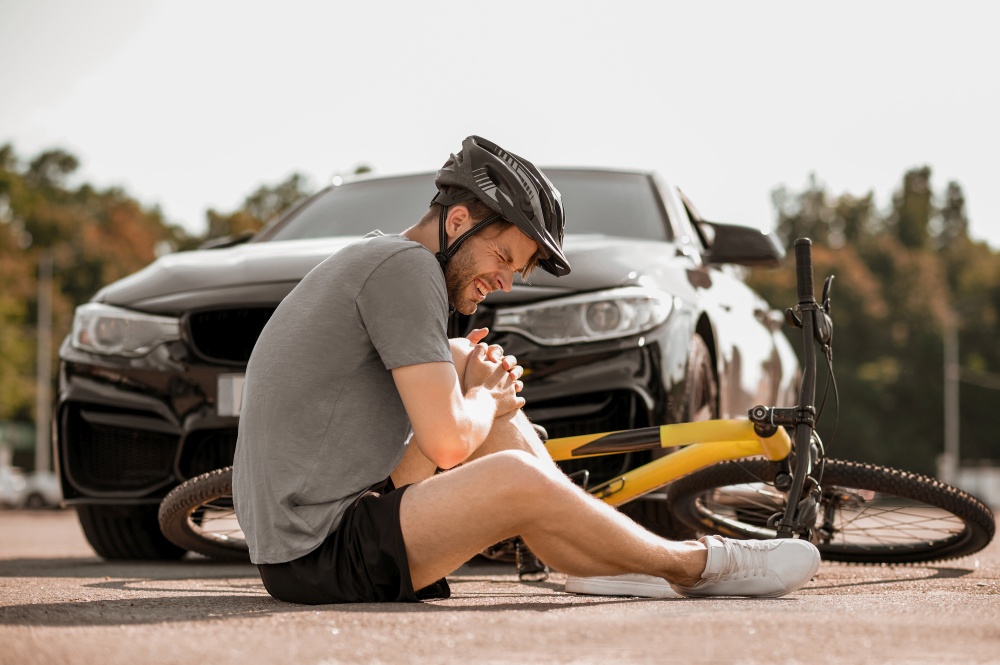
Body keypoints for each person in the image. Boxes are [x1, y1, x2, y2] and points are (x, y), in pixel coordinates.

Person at [232, 135, 821, 604]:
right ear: (458, 222)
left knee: (465, 360)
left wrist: (473, 378)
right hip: (321, 553)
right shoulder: (405, 269)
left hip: (311, 542)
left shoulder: (380, 258)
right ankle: (693, 566)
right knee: (513, 471)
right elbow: (444, 441)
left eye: (517, 270)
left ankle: (598, 562)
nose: (504, 281)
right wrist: (486, 398)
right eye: (503, 256)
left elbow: (437, 409)